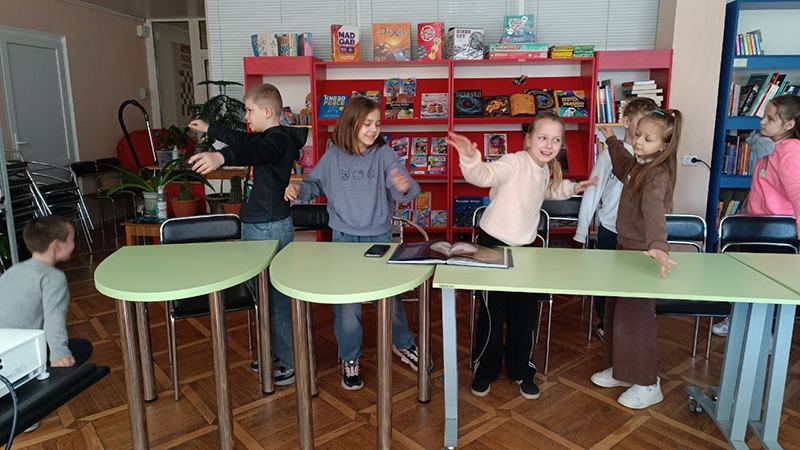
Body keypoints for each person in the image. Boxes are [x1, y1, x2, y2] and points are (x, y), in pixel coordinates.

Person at [447, 112, 597, 400]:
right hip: (493, 245)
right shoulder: (514, 162)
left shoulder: (544, 168)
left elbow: (547, 191)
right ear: (528, 140)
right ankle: (485, 369)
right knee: (493, 313)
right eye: (542, 137)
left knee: (524, 314)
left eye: (556, 140)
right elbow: (484, 175)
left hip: (525, 250)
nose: (549, 145)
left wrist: (572, 188)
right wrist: (470, 158)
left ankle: (521, 370)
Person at [284, 96, 421, 390]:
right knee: (347, 304)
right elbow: (314, 185)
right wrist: (298, 189)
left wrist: (404, 186)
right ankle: (350, 358)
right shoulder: (333, 156)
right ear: (351, 123)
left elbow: (407, 188)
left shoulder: (384, 154)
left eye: (378, 124)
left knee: (391, 298)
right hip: (344, 240)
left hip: (379, 237)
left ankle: (403, 343)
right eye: (367, 123)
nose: (374, 129)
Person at [188, 82, 307, 386]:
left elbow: (253, 148)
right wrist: (211, 128)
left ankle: (291, 362)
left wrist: (221, 158)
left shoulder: (278, 140)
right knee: (263, 296)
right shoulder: (270, 136)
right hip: (260, 225)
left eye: (250, 110)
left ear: (267, 111)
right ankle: (278, 353)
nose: (246, 116)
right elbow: (243, 139)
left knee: (275, 298)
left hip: (269, 228)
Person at [591, 109, 682, 409]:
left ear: (664, 145)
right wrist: (612, 140)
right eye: (637, 134)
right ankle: (622, 370)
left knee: (636, 320)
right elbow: (623, 166)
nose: (638, 141)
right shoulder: (639, 164)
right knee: (616, 314)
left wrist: (658, 246)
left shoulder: (657, 174)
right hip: (625, 249)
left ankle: (647, 383)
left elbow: (655, 212)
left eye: (647, 138)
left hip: (643, 254)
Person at [712, 94, 800, 337]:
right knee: (748, 277)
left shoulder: (791, 151)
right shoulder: (770, 147)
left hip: (777, 232)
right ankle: (739, 317)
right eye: (764, 115)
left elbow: (798, 193)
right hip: (758, 226)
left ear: (789, 124)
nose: (762, 122)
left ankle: (768, 333)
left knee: (771, 284)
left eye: (770, 118)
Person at [574, 97, 658, 339]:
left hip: (638, 234)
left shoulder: (654, 159)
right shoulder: (608, 155)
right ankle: (605, 320)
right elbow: (592, 193)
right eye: (641, 124)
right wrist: (581, 232)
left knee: (634, 281)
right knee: (606, 280)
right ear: (627, 122)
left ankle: (630, 323)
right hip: (610, 229)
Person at [0, 216, 93, 368]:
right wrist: (59, 354)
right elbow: (54, 320)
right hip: (17, 356)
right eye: (72, 240)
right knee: (83, 348)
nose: (74, 244)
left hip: (3, 348)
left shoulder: (12, 271)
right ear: (56, 246)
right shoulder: (53, 277)